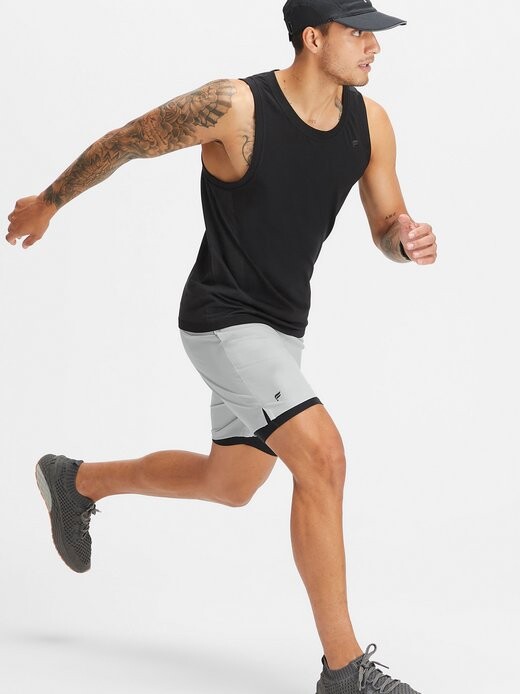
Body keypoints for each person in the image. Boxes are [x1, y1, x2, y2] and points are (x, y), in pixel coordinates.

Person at [7, 1, 437, 691]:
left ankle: (77, 481)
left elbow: (386, 221)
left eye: (373, 34)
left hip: (281, 331)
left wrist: (405, 239)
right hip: (222, 319)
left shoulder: (370, 123)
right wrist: (49, 201)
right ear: (313, 36)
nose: (373, 47)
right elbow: (127, 140)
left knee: (230, 484)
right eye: (358, 33)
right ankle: (345, 671)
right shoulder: (236, 107)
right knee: (322, 458)